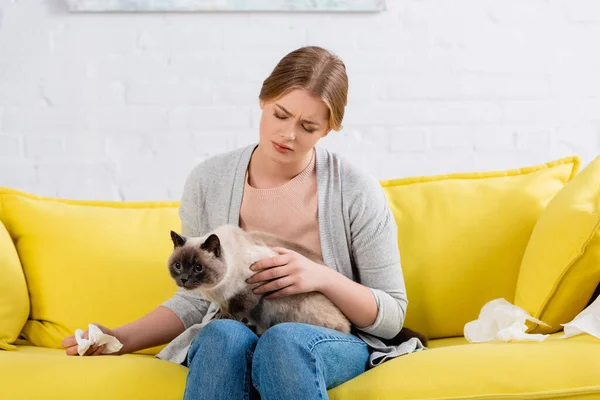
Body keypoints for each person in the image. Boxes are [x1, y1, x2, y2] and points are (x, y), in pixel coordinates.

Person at [62, 46, 409, 400]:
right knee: (220, 335)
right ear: (263, 99)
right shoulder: (208, 180)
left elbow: (392, 314)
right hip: (237, 328)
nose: (288, 134)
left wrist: (322, 276)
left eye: (308, 126)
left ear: (329, 130)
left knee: (283, 342)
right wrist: (121, 338)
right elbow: (197, 299)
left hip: (324, 338)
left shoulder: (355, 189)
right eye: (281, 114)